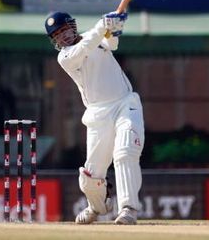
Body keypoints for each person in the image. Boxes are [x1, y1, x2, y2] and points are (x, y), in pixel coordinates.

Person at [44, 11, 145, 225]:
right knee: (91, 175)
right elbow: (86, 47)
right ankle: (96, 206)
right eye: (57, 35)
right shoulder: (65, 57)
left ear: (73, 26)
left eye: (64, 30)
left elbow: (111, 43)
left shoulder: (96, 36)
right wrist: (103, 25)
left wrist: (114, 28)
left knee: (125, 152)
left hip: (125, 104)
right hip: (98, 114)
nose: (62, 37)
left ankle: (128, 209)